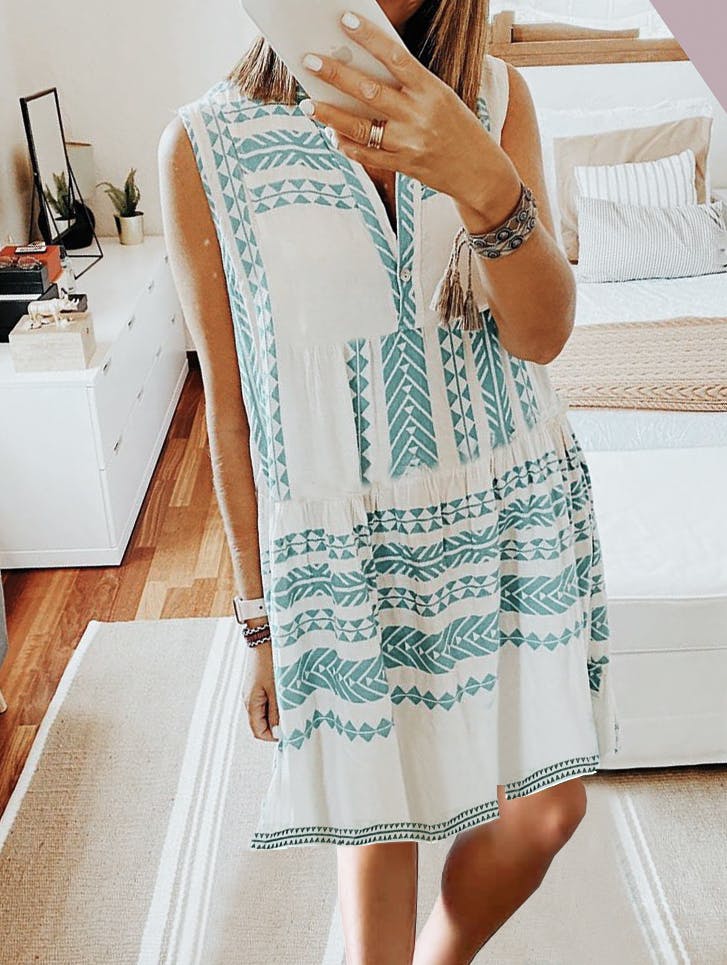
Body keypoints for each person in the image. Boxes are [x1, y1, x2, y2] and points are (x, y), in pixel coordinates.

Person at [159, 1, 620, 961]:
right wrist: (259, 625)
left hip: (508, 516)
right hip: (346, 554)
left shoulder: (494, 97)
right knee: (381, 835)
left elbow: (540, 335)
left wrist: (479, 177)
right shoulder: (204, 145)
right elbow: (231, 414)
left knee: (547, 812)